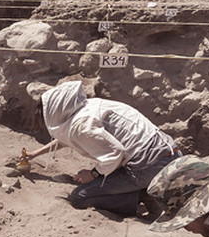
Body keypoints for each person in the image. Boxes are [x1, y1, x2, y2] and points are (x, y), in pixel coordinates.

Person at [22, 80, 179, 217]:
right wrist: (34, 154)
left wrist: (92, 174)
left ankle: (144, 196)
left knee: (80, 197)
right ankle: (141, 189)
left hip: (148, 165)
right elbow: (66, 138)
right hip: (165, 152)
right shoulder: (88, 107)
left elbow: (115, 153)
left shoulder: (82, 124)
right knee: (103, 179)